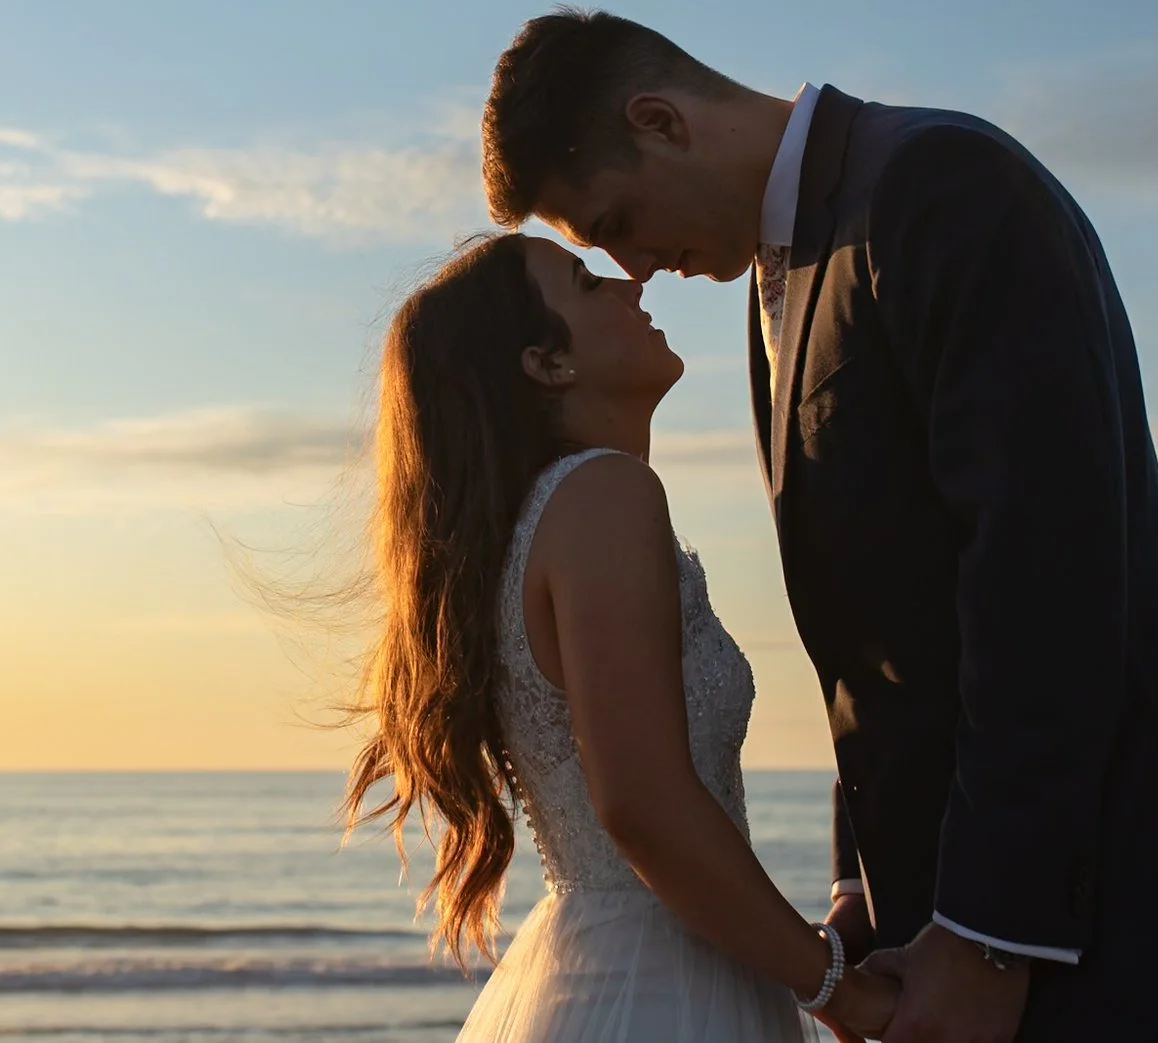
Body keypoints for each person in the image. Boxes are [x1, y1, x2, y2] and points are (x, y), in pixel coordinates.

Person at [476, 10, 1158, 1043]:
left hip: (1122, 893)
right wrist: (861, 884)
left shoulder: (936, 184)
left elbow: (1041, 575)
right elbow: (870, 639)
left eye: (613, 220)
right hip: (964, 905)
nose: (635, 266)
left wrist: (989, 937)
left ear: (659, 120)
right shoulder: (779, 282)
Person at [345, 232, 900, 1041]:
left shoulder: (543, 522)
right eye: (584, 281)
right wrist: (835, 990)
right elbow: (641, 801)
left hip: (630, 965)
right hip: (660, 983)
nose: (629, 287)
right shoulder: (603, 493)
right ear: (547, 361)